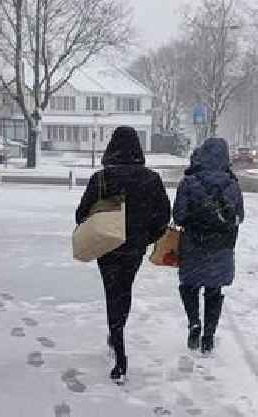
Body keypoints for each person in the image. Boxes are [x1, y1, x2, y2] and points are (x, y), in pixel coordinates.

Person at [75, 126, 170, 383]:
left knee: (111, 292)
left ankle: (117, 343)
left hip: (106, 247)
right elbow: (163, 217)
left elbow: (81, 214)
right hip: (134, 248)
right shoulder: (151, 179)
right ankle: (118, 333)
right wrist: (145, 238)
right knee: (124, 290)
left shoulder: (101, 179)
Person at [173, 138, 244, 354]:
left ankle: (194, 322)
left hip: (194, 244)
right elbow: (240, 216)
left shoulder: (189, 182)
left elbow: (178, 216)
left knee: (189, 285)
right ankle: (208, 336)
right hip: (221, 247)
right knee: (214, 290)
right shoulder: (232, 185)